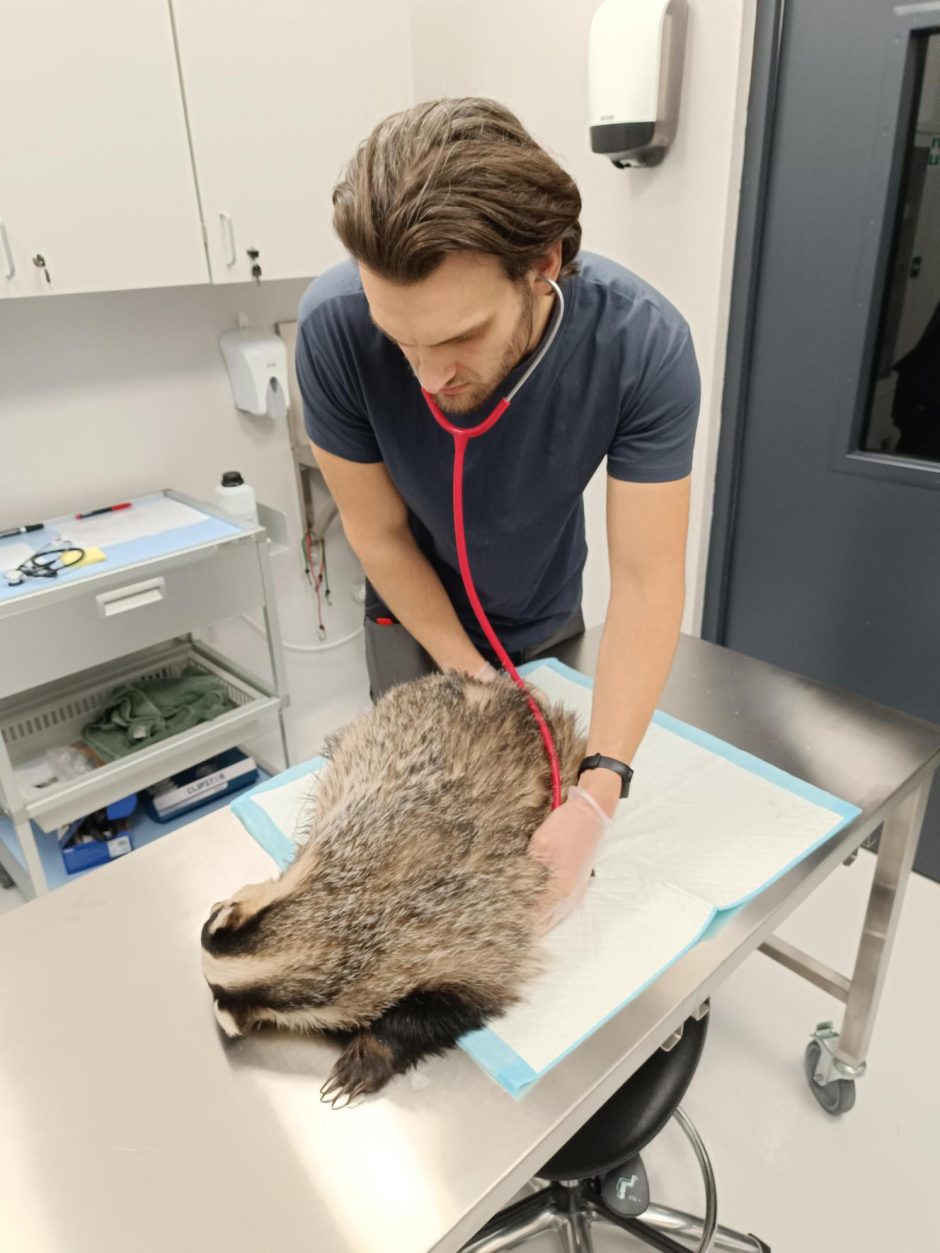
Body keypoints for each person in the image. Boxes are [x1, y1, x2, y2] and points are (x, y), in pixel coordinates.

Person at [296, 98, 700, 929]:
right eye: (400, 342)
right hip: (409, 622)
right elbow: (376, 533)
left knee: (543, 843)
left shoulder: (642, 347)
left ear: (544, 261)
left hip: (547, 612)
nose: (427, 378)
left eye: (460, 338)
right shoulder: (334, 330)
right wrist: (466, 671)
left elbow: (649, 582)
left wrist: (602, 787)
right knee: (412, 856)